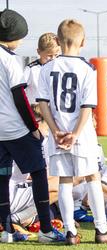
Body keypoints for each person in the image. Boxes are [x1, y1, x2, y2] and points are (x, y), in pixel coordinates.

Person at [37, 19, 107, 245]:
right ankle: (102, 230)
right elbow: (87, 105)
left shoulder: (46, 68)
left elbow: (43, 104)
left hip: (57, 133)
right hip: (81, 133)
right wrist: (75, 133)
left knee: (64, 180)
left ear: (57, 41)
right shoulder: (88, 68)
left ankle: (70, 233)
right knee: (92, 176)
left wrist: (56, 131)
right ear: (83, 42)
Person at [0, 9, 65, 243]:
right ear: (15, 36)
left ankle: (6, 231)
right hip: (15, 129)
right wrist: (33, 127)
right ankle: (46, 230)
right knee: (39, 172)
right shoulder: (12, 61)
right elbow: (21, 98)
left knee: (2, 177)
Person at [23, 32, 60, 105]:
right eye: (49, 55)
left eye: (56, 55)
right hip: (36, 113)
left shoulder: (60, 68)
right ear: (39, 51)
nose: (53, 59)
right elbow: (19, 91)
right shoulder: (31, 69)